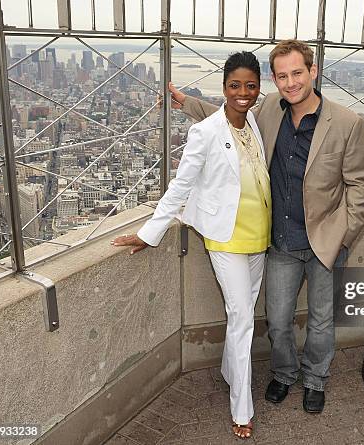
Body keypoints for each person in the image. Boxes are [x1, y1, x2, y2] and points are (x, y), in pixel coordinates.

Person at [169, 40, 364, 414]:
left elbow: (359, 183)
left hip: (326, 240)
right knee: (277, 321)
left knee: (322, 321)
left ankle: (315, 379)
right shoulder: (270, 113)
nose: (291, 82)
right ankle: (284, 373)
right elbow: (232, 115)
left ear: (312, 71)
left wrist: (347, 233)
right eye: (282, 76)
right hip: (280, 241)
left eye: (297, 73)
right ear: (275, 81)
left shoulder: (347, 122)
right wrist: (188, 104)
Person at [112, 51, 270, 439]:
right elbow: (180, 187)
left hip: (260, 236)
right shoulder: (206, 131)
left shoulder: (254, 121)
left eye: (251, 85)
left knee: (243, 314)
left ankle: (229, 371)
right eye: (235, 86)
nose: (244, 92)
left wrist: (185, 100)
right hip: (226, 237)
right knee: (244, 321)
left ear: (258, 88)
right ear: (224, 88)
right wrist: (152, 232)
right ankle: (242, 408)